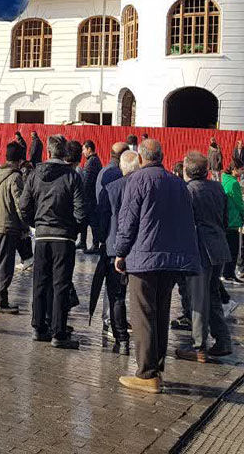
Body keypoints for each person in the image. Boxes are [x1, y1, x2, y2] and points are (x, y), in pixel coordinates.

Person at [113, 139, 202, 394]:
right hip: (171, 259)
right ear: (161, 156)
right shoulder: (178, 183)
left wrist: (120, 253)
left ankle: (146, 373)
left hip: (144, 257)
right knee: (161, 313)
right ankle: (157, 368)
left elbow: (128, 220)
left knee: (142, 315)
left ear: (140, 158)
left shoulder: (137, 180)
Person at [19, 134, 85, 349]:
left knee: (40, 281)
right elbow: (81, 212)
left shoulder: (34, 175)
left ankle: (38, 327)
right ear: (64, 153)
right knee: (60, 285)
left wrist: (35, 224)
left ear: (47, 152)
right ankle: (59, 332)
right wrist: (73, 228)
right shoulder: (72, 176)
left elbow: (24, 206)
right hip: (63, 237)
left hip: (42, 235)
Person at [177, 152, 233, 362]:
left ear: (187, 170)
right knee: (213, 295)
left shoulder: (188, 191)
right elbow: (225, 219)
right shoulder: (217, 188)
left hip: (201, 250)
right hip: (219, 247)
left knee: (198, 298)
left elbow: (183, 223)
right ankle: (223, 340)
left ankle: (199, 346)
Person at [97, 150, 140, 355]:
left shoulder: (111, 189)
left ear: (122, 167)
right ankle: (144, 339)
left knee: (117, 296)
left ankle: (121, 338)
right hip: (141, 250)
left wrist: (101, 241)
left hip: (114, 248)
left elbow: (102, 219)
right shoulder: (146, 187)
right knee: (142, 298)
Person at [0, 142, 29, 314]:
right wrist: (25, 226)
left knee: (1, 263)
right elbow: (20, 205)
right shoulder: (15, 177)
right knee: (6, 266)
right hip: (8, 226)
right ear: (19, 161)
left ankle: (0, 299)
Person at [221, 162, 244, 282]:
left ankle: (225, 272)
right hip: (233, 218)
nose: (242, 172)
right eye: (241, 169)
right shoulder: (234, 183)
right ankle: (229, 273)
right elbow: (239, 203)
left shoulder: (224, 180)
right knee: (234, 249)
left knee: (227, 248)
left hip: (225, 219)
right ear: (234, 170)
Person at [79, 140, 103, 252]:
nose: (83, 152)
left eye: (84, 149)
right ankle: (82, 242)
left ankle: (95, 245)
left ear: (89, 149)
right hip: (91, 196)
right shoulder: (92, 160)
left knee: (93, 221)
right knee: (85, 221)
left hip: (90, 197)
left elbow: (87, 181)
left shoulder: (92, 162)